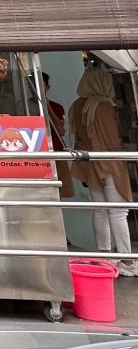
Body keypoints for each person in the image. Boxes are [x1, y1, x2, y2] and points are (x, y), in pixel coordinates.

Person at [69, 66, 136, 275]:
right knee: (118, 212)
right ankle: (126, 260)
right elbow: (113, 141)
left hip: (89, 164)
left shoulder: (77, 106)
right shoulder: (103, 107)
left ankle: (105, 255)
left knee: (100, 210)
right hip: (110, 164)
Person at [41, 73, 75, 198]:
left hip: (55, 150)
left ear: (47, 87)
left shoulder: (56, 107)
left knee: (59, 191)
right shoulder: (23, 103)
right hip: (37, 152)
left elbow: (60, 130)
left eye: (41, 84)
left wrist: (47, 106)